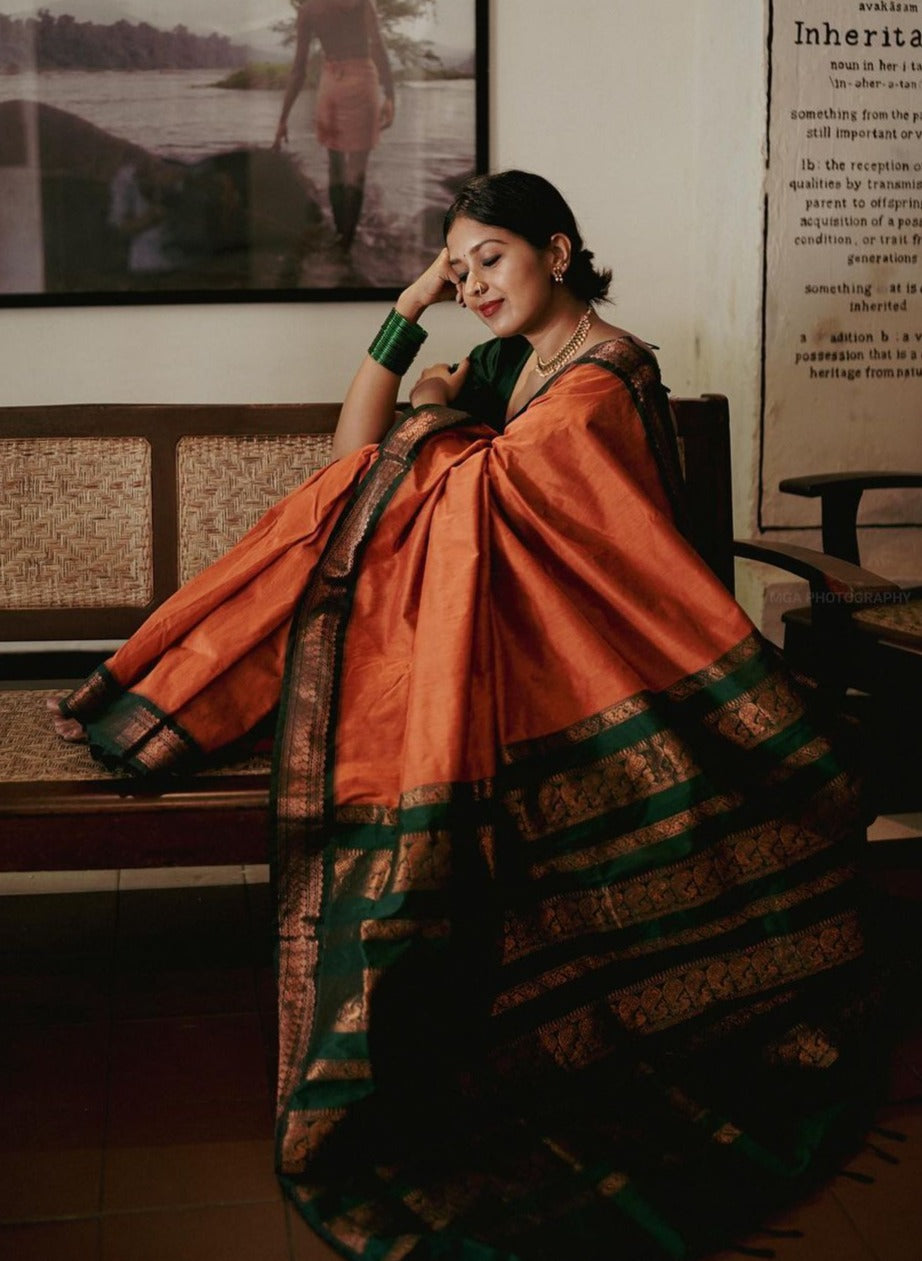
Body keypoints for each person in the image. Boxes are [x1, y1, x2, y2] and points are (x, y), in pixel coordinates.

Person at [51, 171, 900, 1260]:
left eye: (487, 259)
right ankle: (178, 698)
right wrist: (406, 321)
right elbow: (357, 456)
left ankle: (170, 700)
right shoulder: (504, 363)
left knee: (398, 509)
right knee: (373, 501)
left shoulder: (605, 371)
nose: (472, 284)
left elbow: (497, 491)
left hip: (603, 647)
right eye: (456, 269)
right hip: (501, 634)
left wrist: (434, 421)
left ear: (556, 249)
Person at [272, 0, 395, 251]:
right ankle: (347, 241)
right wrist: (390, 94)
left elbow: (298, 70)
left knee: (335, 164)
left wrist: (283, 119)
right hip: (363, 81)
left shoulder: (309, 9)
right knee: (357, 169)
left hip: (332, 83)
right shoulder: (362, 3)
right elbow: (378, 47)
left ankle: (340, 235)